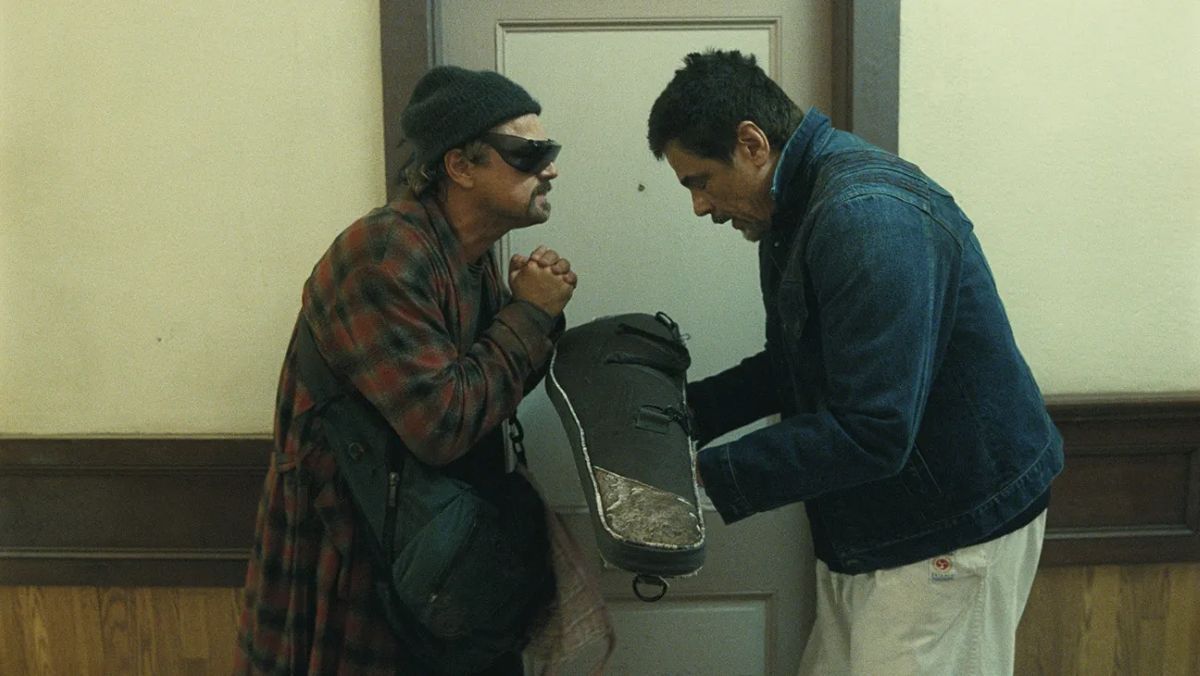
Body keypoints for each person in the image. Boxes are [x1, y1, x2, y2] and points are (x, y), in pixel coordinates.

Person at [647, 50, 1064, 675]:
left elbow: (873, 431)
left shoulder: (866, 217)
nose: (700, 206)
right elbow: (797, 363)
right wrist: (684, 415)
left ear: (752, 144)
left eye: (700, 181)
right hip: (881, 523)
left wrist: (700, 476)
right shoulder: (792, 208)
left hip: (952, 529)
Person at [236, 65, 579, 675]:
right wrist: (528, 314)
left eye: (548, 152)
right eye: (529, 154)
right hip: (356, 560)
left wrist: (534, 317)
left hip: (422, 551)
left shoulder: (467, 256)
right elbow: (443, 426)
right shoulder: (384, 253)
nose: (549, 168)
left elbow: (486, 397)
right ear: (460, 166)